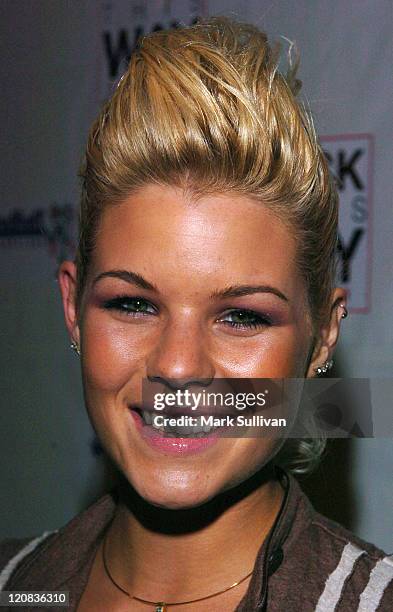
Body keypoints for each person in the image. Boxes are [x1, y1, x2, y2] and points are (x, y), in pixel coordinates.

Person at [1, 16, 392, 612]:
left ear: (322, 338)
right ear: (73, 308)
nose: (179, 368)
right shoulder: (18, 586)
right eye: (133, 305)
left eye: (241, 317)